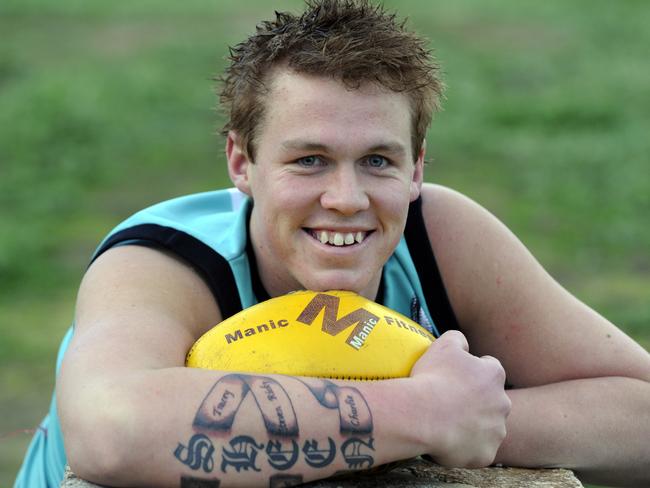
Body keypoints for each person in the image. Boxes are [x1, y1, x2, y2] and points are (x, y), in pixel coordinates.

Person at [15, 1, 650, 487]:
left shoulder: (441, 236)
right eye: (310, 160)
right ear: (242, 161)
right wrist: (421, 414)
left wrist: (478, 418)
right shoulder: (164, 260)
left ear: (417, 168)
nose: (347, 197)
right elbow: (111, 429)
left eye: (378, 160)